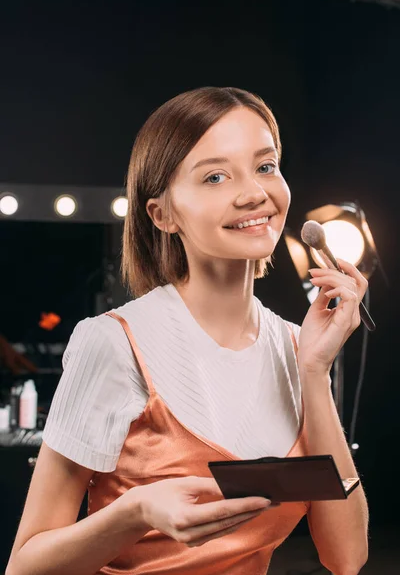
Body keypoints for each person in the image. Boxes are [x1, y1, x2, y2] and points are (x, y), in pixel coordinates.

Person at [6, 87, 369, 575]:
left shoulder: (296, 349)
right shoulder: (114, 343)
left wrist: (315, 371)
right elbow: (25, 566)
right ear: (162, 214)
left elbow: (347, 558)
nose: (253, 193)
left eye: (265, 166)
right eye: (215, 177)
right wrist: (134, 512)